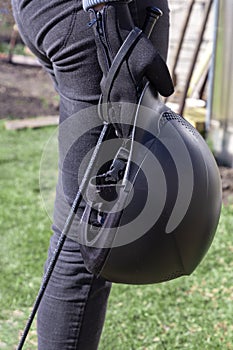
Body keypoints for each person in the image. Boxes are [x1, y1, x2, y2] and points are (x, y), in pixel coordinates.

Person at [12, 0, 170, 348]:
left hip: (70, 15)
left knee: (80, 222)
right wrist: (109, 24)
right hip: (98, 17)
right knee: (91, 237)